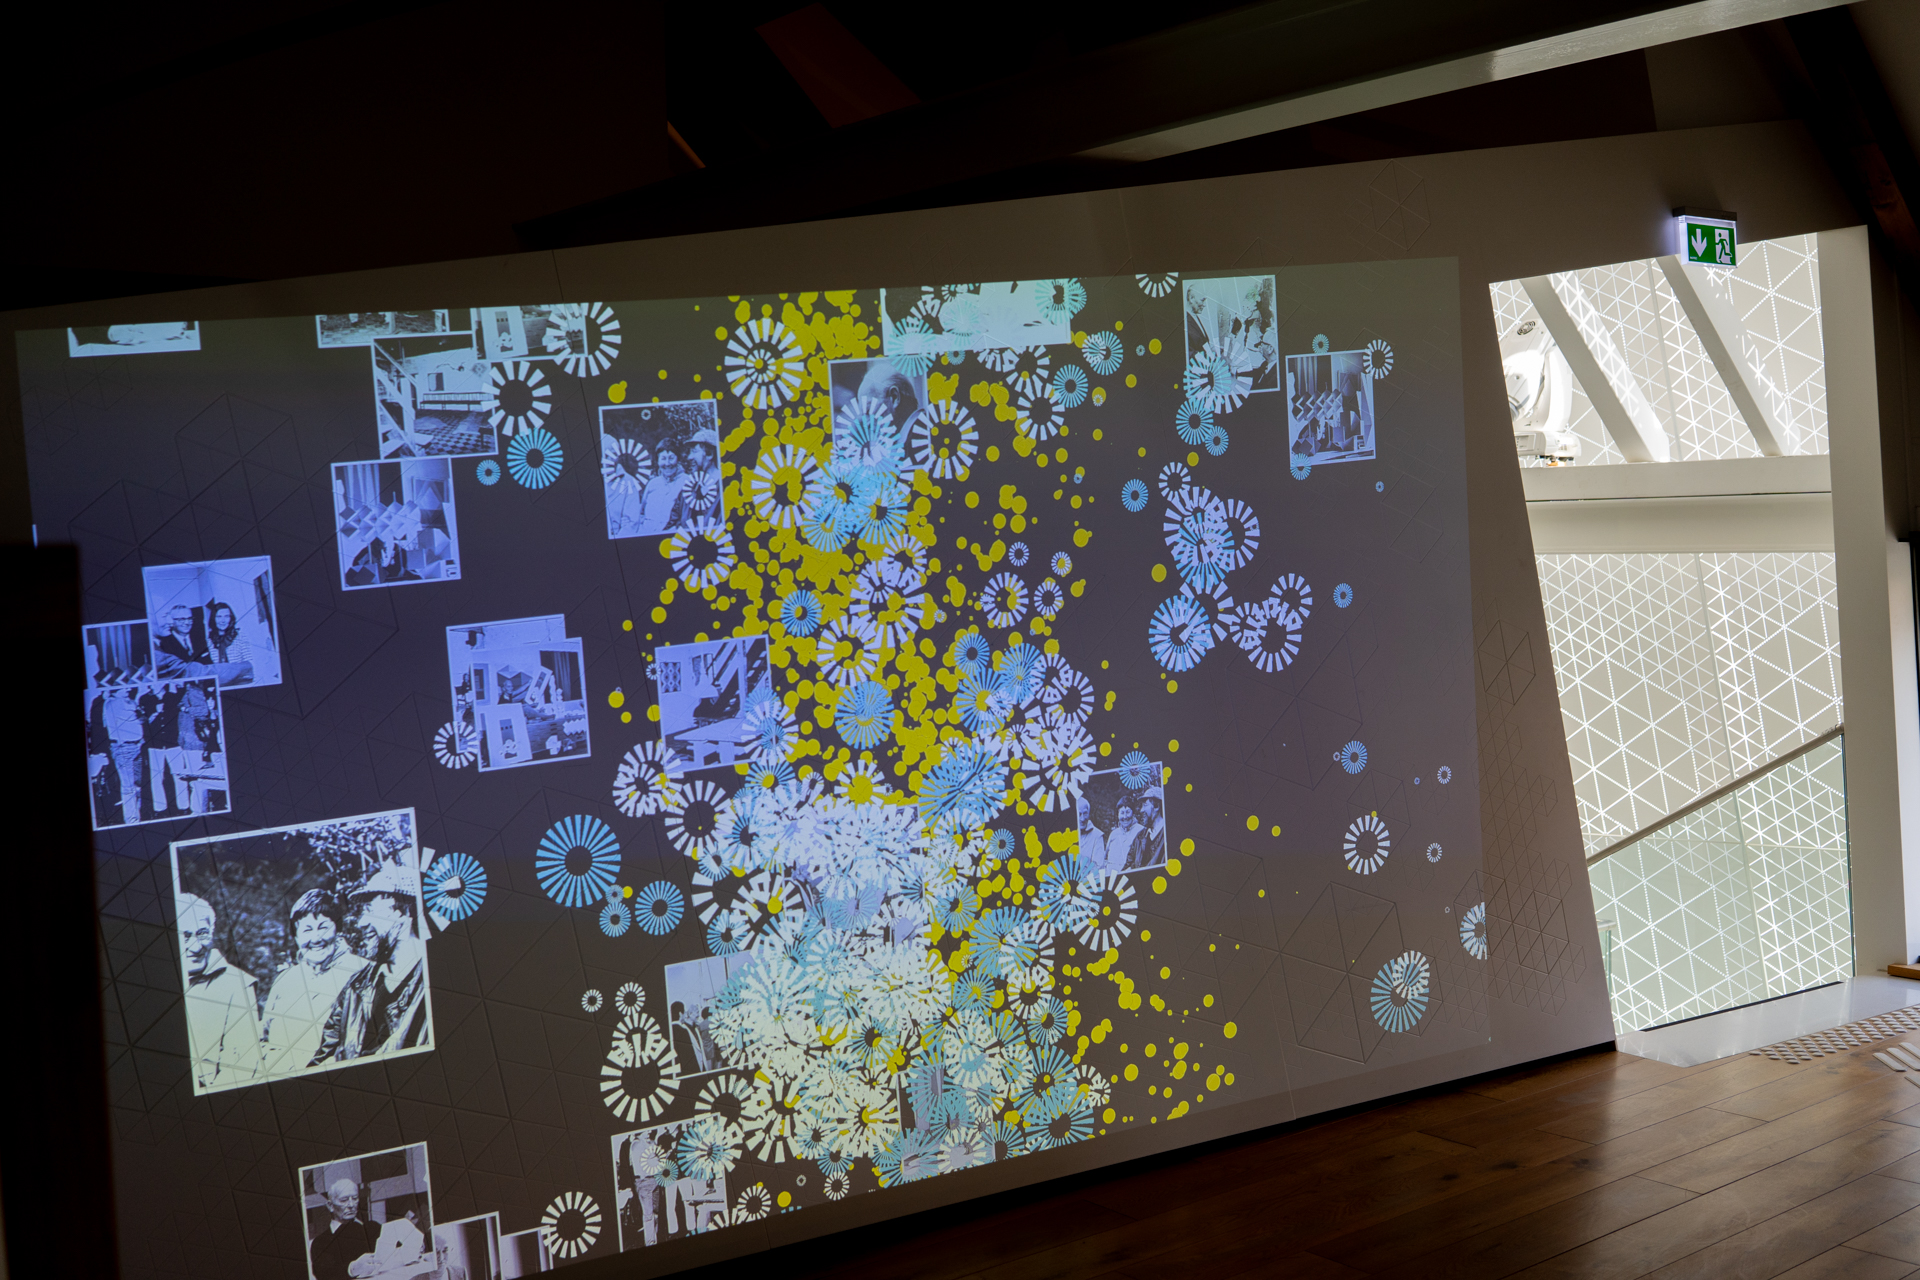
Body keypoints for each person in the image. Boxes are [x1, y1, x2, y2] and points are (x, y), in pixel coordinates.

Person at [310, 863, 430, 1066]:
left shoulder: (430, 990)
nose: (361, 923)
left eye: (370, 910)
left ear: (404, 913)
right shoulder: (355, 987)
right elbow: (322, 1059)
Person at [263, 891, 370, 1077]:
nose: (316, 938)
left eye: (323, 927)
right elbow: (262, 1041)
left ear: (337, 930)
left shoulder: (361, 972)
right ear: (296, 937)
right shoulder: (284, 980)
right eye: (307, 930)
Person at [178, 893, 262, 1090]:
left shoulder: (238, 984)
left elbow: (241, 1069)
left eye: (202, 933)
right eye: (185, 935)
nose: (195, 947)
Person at [307, 1177, 377, 1280]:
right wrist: (352, 1269)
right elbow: (324, 1274)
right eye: (344, 1200)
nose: (351, 1205)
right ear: (330, 1206)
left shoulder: (371, 1229)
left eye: (355, 1198)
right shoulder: (321, 1243)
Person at [669, 436, 724, 531]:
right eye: (690, 452)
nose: (689, 457)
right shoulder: (686, 492)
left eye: (694, 451)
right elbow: (672, 524)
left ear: (710, 454)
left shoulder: (725, 490)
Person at [203, 600, 257, 684]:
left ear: (231, 618)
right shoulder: (208, 640)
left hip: (239, 682)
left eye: (226, 616)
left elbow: (249, 664)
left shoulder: (240, 636)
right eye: (219, 617)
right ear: (213, 619)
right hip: (218, 684)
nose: (223, 620)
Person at [153, 605, 212, 680]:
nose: (187, 623)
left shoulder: (201, 639)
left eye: (189, 618)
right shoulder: (163, 644)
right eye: (181, 619)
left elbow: (208, 664)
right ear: (172, 621)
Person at [637, 447, 683, 532]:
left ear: (678, 459)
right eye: (663, 459)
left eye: (671, 458)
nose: (667, 463)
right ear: (658, 461)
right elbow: (641, 513)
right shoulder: (653, 483)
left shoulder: (686, 482)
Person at [1074, 795, 1114, 875]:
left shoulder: (1097, 835)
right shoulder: (1068, 834)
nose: (1082, 818)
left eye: (1085, 813)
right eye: (1079, 814)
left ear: (1089, 813)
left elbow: (1098, 867)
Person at [1110, 799, 1151, 873]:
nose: (1125, 817)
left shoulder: (1141, 832)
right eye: (1122, 813)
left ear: (1133, 813)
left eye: (1128, 812)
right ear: (1118, 815)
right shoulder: (1113, 834)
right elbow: (1105, 859)